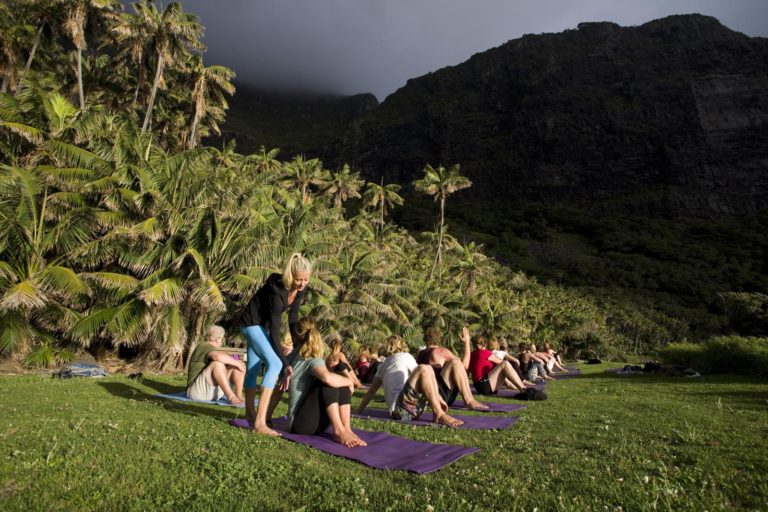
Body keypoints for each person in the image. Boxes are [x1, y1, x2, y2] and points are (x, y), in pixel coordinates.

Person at [240, 253, 311, 436]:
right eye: (299, 279)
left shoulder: (299, 291)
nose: (302, 284)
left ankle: (250, 413)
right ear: (290, 275)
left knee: (253, 369)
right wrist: (285, 363)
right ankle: (259, 423)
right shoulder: (277, 293)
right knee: (275, 364)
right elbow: (274, 332)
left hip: (261, 327)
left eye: (306, 280)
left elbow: (293, 320)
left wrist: (299, 345)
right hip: (251, 324)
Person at [287, 318, 367, 447]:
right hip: (300, 425)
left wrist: (346, 382)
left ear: (296, 336)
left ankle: (346, 429)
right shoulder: (310, 359)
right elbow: (327, 378)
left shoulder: (297, 356)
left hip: (313, 423)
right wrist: (350, 382)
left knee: (338, 379)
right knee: (329, 380)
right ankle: (339, 431)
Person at [357, 335, 464, 427]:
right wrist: (439, 398)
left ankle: (438, 411)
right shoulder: (406, 356)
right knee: (424, 368)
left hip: (401, 412)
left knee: (427, 368)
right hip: (404, 411)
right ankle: (439, 413)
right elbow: (424, 375)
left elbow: (371, 392)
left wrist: (359, 411)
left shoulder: (383, 365)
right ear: (402, 345)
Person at [416, 326, 489, 411]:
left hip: (429, 396)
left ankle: (469, 400)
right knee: (455, 363)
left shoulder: (420, 354)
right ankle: (469, 400)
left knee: (454, 363)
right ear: (439, 338)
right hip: (441, 397)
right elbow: (464, 367)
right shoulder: (440, 351)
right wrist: (467, 342)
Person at [186, 325, 245, 404]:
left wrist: (238, 364)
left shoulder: (211, 349)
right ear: (218, 339)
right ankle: (231, 396)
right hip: (196, 393)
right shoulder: (204, 346)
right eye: (222, 338)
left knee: (237, 366)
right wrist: (237, 363)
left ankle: (239, 395)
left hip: (212, 393)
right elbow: (217, 357)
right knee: (218, 364)